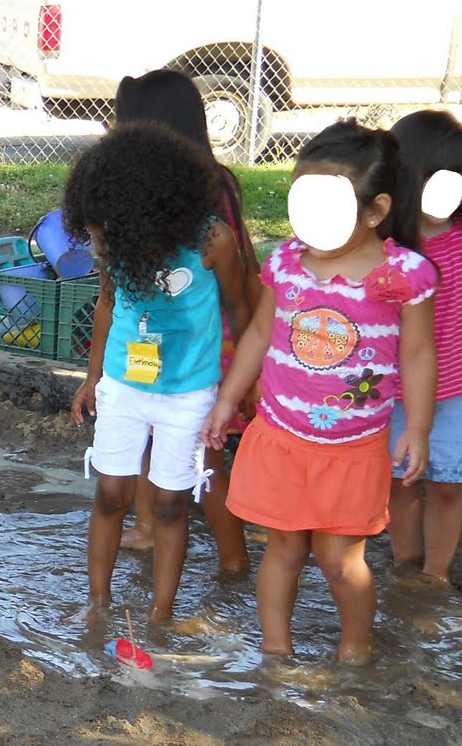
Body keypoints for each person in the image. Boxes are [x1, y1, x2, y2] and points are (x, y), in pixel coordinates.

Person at [201, 120, 438, 662]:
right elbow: (260, 332)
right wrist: (226, 398)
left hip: (354, 449)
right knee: (282, 549)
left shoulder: (405, 274)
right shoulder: (287, 263)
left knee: (340, 560)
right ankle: (276, 657)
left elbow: (419, 355)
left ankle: (354, 651)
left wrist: (418, 429)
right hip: (282, 436)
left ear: (375, 211)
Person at [66, 122, 250, 625]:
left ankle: (159, 615)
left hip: (188, 393)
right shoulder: (114, 242)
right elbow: (107, 303)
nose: (97, 238)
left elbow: (241, 312)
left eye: (105, 228)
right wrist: (92, 377)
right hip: (123, 384)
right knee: (109, 493)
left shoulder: (213, 241)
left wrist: (243, 388)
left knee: (170, 504)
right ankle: (97, 604)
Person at [111, 70, 261, 575]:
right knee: (154, 438)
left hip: (201, 341)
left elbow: (238, 277)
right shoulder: (189, 184)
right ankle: (152, 528)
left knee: (204, 460)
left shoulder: (208, 192)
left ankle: (234, 560)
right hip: (161, 338)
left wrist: (249, 368)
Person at [386, 109, 462, 586]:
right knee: (400, 483)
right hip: (392, 390)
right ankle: (404, 566)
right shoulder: (383, 245)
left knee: (449, 486)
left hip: (454, 391)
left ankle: (435, 575)